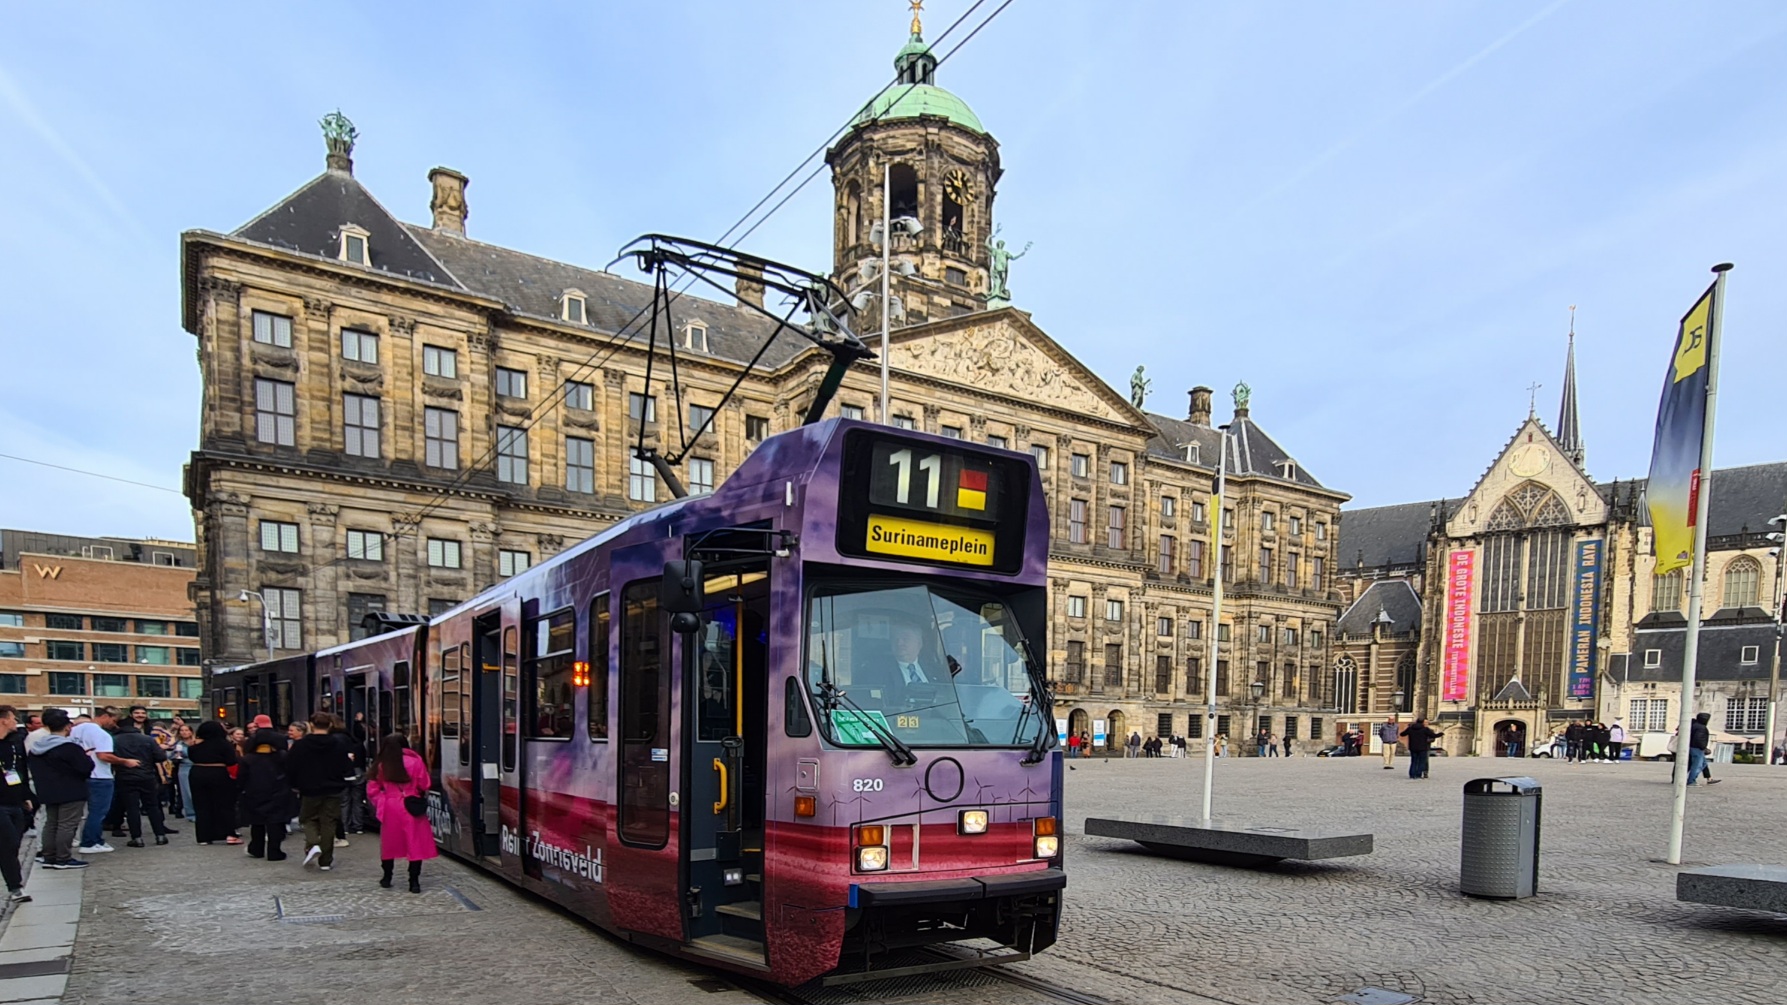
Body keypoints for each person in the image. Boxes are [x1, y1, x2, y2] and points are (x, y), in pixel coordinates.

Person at [367, 734, 437, 893]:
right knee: (415, 843)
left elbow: (372, 789)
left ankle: (387, 877)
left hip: (390, 806)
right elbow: (425, 784)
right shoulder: (416, 762)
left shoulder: (382, 765)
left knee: (389, 844)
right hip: (411, 805)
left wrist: (381, 801)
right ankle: (414, 882)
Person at [286, 712, 354, 870]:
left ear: (311, 724)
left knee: (307, 819)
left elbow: (291, 766)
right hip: (333, 788)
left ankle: (314, 844)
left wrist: (293, 784)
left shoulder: (301, 745)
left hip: (309, 788)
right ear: (330, 725)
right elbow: (345, 766)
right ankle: (326, 860)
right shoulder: (338, 744)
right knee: (329, 823)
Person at [28, 709, 92, 871]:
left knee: (51, 824)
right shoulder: (69, 748)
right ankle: (63, 858)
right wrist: (86, 758)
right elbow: (85, 768)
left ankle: (49, 856)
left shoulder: (36, 748)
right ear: (67, 727)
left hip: (47, 790)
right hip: (71, 790)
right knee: (67, 825)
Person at [72, 706, 137, 855]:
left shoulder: (75, 730)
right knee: (98, 811)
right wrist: (125, 761)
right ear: (105, 716)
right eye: (114, 720)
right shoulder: (102, 734)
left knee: (82, 812)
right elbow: (103, 756)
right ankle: (91, 841)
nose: (114, 724)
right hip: (100, 775)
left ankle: (86, 839)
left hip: (81, 775)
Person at [111, 718, 174, 846]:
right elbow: (161, 757)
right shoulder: (147, 739)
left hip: (125, 776)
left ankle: (137, 838)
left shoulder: (115, 740)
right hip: (147, 775)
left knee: (132, 808)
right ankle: (160, 835)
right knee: (152, 806)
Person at [237, 726, 290, 861]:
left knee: (257, 823)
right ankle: (274, 851)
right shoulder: (281, 757)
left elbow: (241, 778)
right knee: (275, 823)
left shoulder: (248, 758)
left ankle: (256, 848)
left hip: (255, 792)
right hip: (278, 792)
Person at [188, 720, 243, 844]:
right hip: (218, 772)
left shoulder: (195, 746)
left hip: (197, 772)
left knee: (201, 805)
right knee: (224, 805)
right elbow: (231, 761)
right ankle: (229, 834)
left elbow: (191, 756)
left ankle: (203, 837)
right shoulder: (224, 744)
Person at [0, 706, 34, 900]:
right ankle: (15, 887)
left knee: (12, 846)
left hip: (15, 801)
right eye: (13, 718)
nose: (16, 722)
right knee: (8, 842)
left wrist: (25, 796)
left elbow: (18, 771)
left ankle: (15, 886)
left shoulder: (14, 744)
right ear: (4, 720)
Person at [169, 723, 197, 821]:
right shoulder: (178, 744)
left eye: (186, 730)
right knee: (187, 792)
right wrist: (175, 756)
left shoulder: (196, 742)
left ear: (191, 732)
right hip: (184, 767)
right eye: (182, 730)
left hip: (196, 766)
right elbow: (169, 756)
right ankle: (191, 814)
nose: (184, 732)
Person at [1686, 711, 1716, 785]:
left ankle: (1693, 779)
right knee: (1697, 765)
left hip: (1693, 747)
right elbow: (1698, 739)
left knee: (1703, 764)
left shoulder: (1695, 725)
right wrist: (1703, 747)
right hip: (1697, 748)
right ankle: (1691, 781)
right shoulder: (1701, 728)